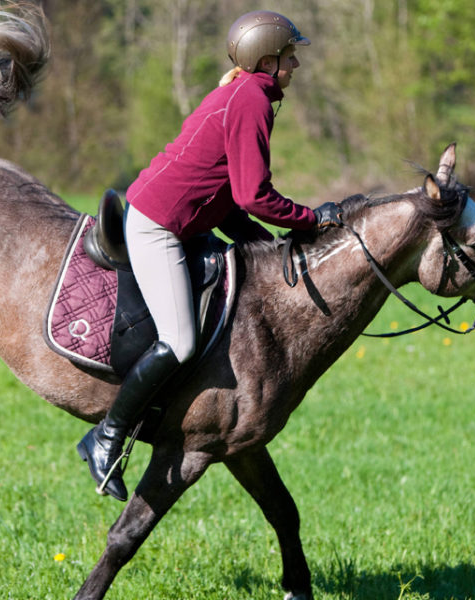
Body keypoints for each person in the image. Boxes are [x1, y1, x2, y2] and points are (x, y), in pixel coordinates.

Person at [76, 10, 344, 501]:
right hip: (158, 226)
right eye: (290, 57)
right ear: (267, 61)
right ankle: (106, 437)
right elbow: (252, 196)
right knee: (180, 341)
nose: (295, 66)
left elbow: (226, 198)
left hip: (181, 220)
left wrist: (268, 243)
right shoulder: (252, 100)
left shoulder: (245, 93)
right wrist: (312, 221)